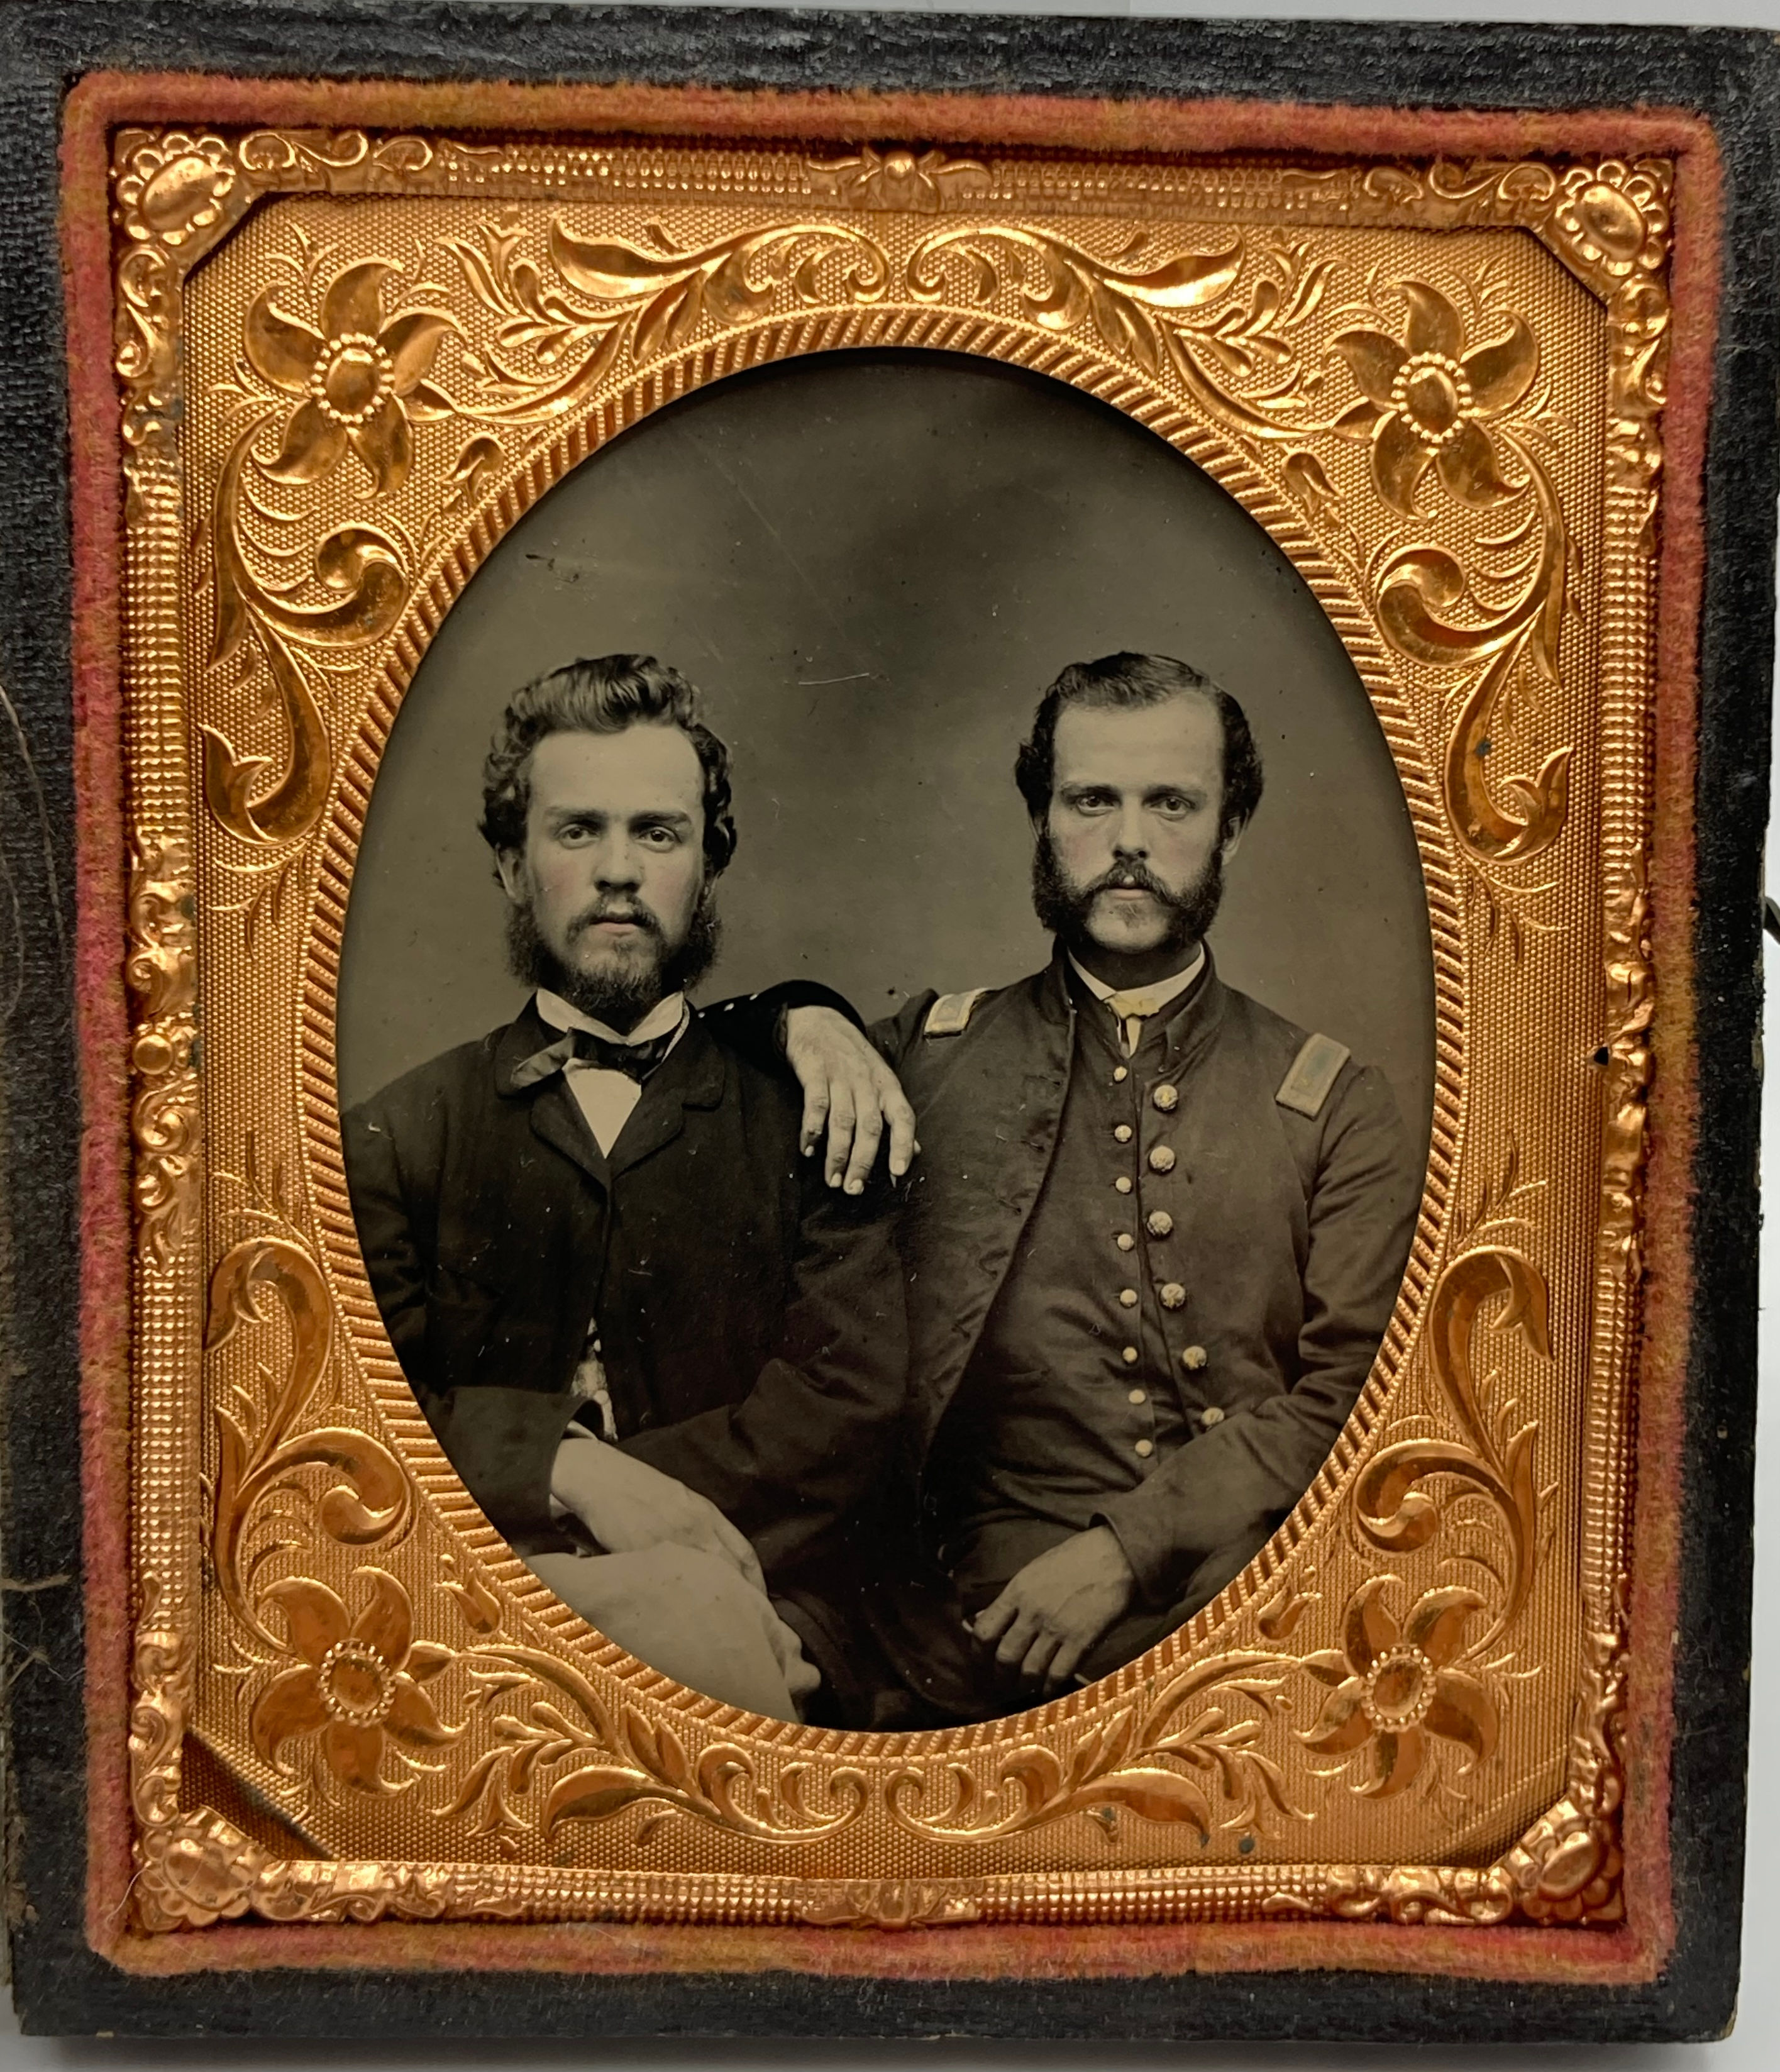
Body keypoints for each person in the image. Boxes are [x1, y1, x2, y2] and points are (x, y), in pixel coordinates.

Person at [779, 653, 1423, 1723]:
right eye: (1092, 800)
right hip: (948, 1610)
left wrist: (1130, 1548)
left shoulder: (1333, 1102)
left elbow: (1362, 1391)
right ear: (1042, 817)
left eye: (1172, 803)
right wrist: (796, 1015)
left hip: (1231, 1597)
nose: (1131, 842)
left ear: (1231, 827)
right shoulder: (927, 1054)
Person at [343, 655, 912, 1724]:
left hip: (773, 1606)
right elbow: (361, 1412)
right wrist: (569, 1473)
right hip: (488, 1608)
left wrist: (633, 1505)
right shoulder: (398, 1135)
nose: (619, 870)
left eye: (658, 833)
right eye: (577, 832)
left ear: (708, 865)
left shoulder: (818, 1109)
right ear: (512, 866)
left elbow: (844, 1411)